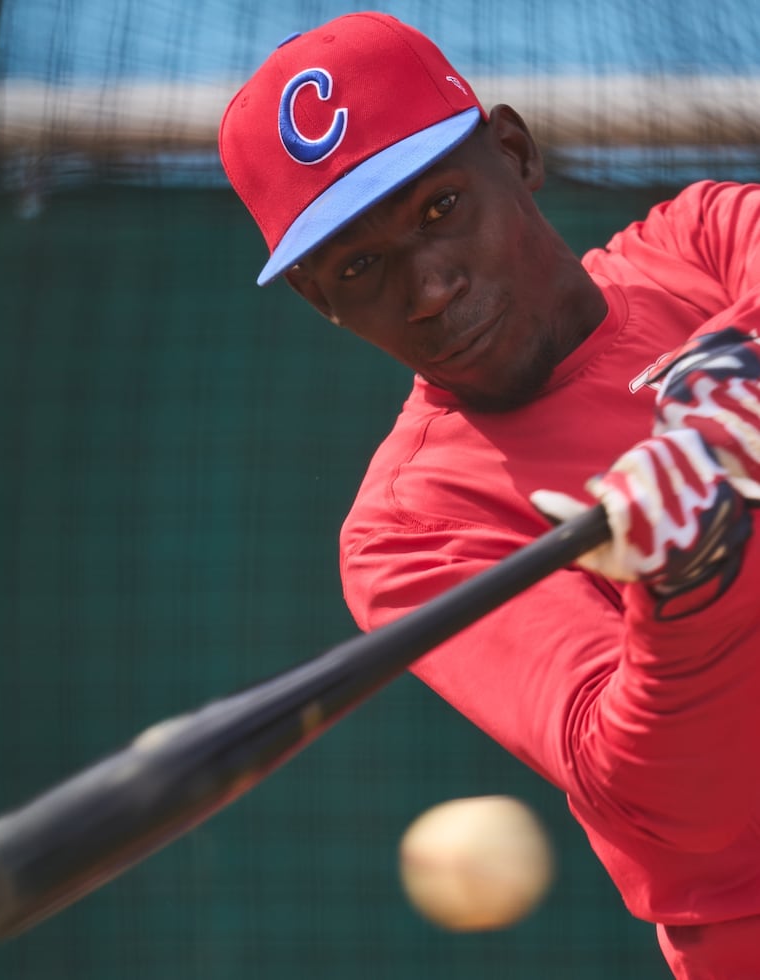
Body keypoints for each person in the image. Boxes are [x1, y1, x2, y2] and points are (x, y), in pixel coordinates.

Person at [218, 11, 760, 979]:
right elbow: (676, 810)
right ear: (318, 299)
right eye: (358, 265)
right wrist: (685, 594)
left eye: (437, 209)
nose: (425, 287)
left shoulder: (699, 248)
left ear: (511, 153)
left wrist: (739, 365)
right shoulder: (412, 527)